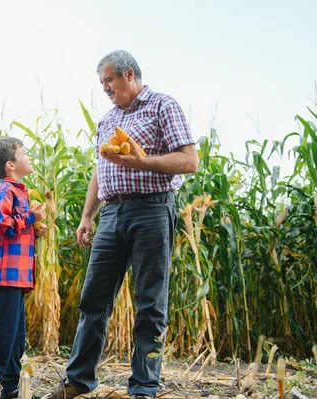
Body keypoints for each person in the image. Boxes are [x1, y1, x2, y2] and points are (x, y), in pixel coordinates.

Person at [48, 50, 199, 399]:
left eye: (108, 81)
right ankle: (78, 381)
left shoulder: (162, 105)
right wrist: (88, 216)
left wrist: (140, 161)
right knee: (93, 300)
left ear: (128, 74)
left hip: (151, 210)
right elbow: (100, 172)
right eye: (102, 84)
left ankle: (144, 387)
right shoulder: (107, 120)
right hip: (111, 215)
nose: (105, 89)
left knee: (150, 302)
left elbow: (189, 161)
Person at [0, 137, 47, 399]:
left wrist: (34, 229)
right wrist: (30, 217)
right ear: (10, 165)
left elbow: (13, 230)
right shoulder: (5, 190)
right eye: (25, 153)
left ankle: (11, 389)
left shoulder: (18, 190)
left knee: (14, 337)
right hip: (6, 276)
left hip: (17, 277)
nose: (29, 158)